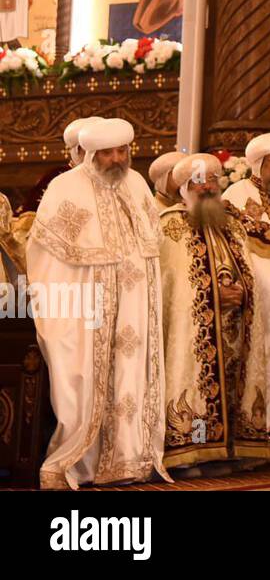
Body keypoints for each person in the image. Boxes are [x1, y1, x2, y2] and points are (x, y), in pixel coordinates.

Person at [25, 117, 168, 489]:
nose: (117, 159)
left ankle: (129, 459)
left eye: (122, 151)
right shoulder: (66, 187)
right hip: (88, 308)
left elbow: (152, 246)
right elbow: (46, 253)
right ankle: (82, 462)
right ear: (90, 153)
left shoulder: (137, 184)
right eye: (107, 153)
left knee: (132, 380)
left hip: (135, 307)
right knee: (84, 379)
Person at [158, 153, 261, 469]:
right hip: (192, 334)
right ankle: (195, 449)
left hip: (233, 325)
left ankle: (228, 449)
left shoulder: (231, 224)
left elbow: (249, 269)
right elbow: (169, 289)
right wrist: (213, 296)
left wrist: (243, 292)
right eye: (200, 181)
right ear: (185, 187)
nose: (208, 188)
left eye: (213, 180)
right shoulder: (170, 225)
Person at [222, 131, 270, 445]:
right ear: (257, 164)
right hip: (263, 295)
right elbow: (236, 249)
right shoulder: (237, 195)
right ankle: (263, 430)